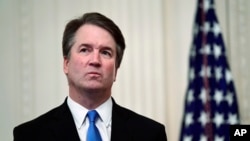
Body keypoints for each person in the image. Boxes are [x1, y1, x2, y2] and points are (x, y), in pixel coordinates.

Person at [13, 12, 167, 141]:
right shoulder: (29, 135)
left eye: (105, 52)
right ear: (66, 64)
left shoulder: (150, 134)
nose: (95, 60)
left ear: (116, 70)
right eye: (85, 50)